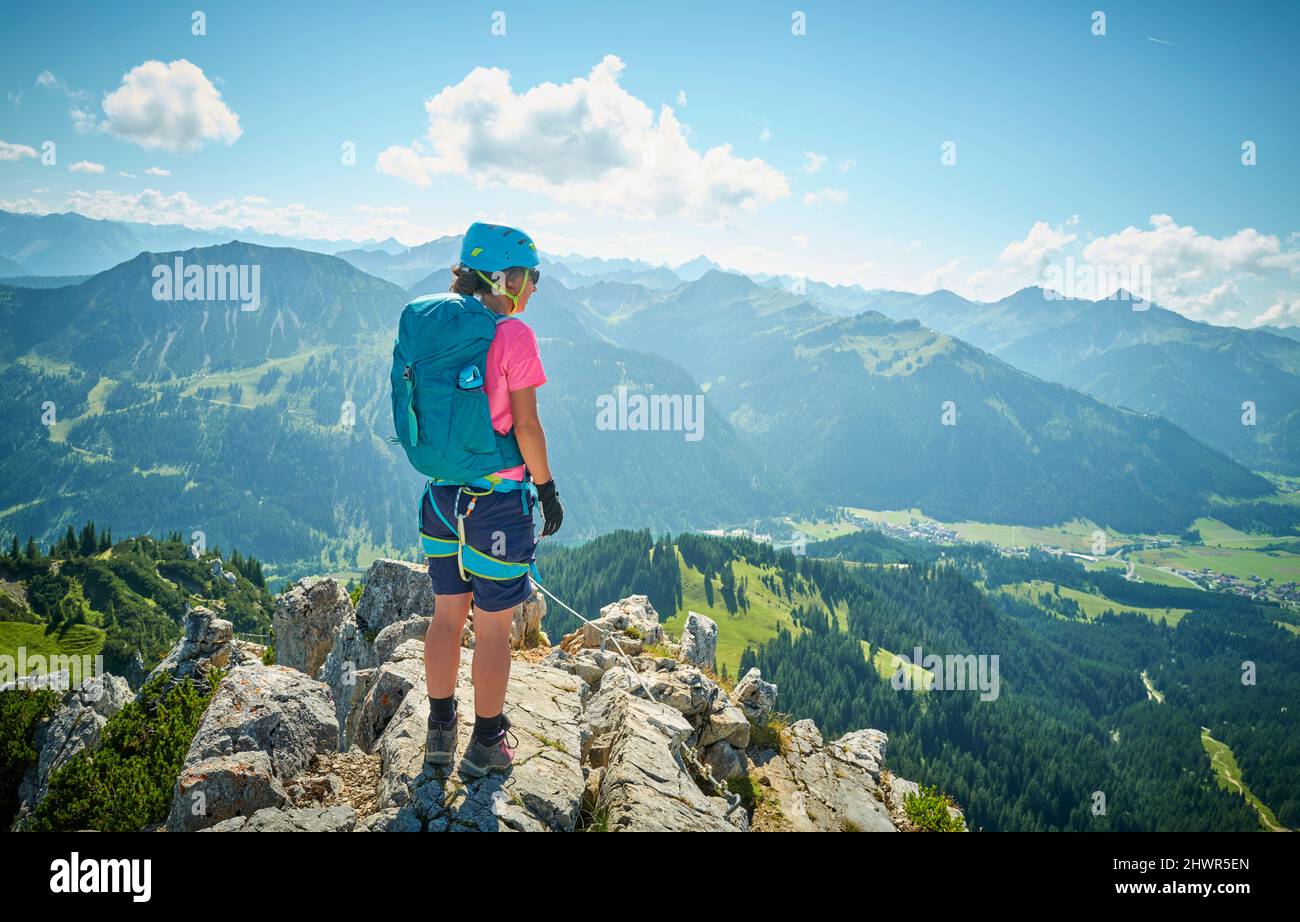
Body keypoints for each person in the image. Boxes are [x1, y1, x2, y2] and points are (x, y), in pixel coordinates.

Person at [423, 222, 564, 778]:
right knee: (495, 629)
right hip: (497, 504)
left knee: (445, 618)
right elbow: (526, 427)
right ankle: (485, 744)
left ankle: (438, 733)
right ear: (503, 277)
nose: (534, 287)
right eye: (531, 275)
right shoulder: (514, 337)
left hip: (439, 497)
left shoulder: (438, 330)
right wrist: (547, 489)